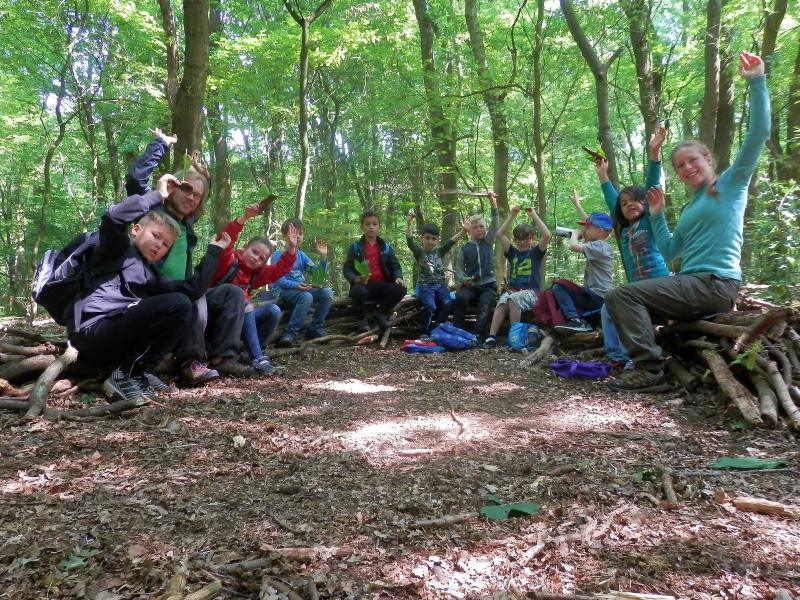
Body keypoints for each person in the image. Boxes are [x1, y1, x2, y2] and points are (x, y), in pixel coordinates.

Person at [604, 51, 770, 393]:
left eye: (692, 160)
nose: (687, 168)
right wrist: (657, 215)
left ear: (707, 158)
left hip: (715, 283)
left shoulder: (730, 184)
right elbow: (669, 248)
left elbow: (758, 134)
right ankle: (648, 359)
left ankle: (650, 370)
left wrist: (756, 81)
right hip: (694, 281)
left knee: (623, 295)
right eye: (679, 165)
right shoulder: (692, 205)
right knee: (623, 297)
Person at [68, 173, 230, 403]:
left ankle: (137, 372)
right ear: (136, 230)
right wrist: (159, 194)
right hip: (92, 331)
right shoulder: (116, 250)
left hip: (118, 335)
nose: (159, 245)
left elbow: (193, 290)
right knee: (177, 303)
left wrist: (214, 250)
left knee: (182, 304)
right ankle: (125, 375)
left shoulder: (150, 275)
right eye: (156, 236)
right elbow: (113, 217)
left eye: (165, 244)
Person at [126, 128, 249, 385]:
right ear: (172, 186)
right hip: (156, 292)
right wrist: (160, 145)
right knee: (191, 297)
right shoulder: (155, 211)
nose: (191, 197)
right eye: (186, 189)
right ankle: (189, 363)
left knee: (231, 293)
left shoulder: (188, 226)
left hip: (185, 290)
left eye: (197, 195)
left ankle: (223, 357)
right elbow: (136, 182)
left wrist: (204, 175)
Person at [588, 130, 670, 365]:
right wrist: (603, 176)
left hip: (659, 285)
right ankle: (618, 356)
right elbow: (612, 202)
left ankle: (641, 357)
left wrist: (654, 153)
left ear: (646, 202)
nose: (629, 205)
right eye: (624, 204)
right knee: (608, 308)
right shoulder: (623, 231)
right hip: (636, 293)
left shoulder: (649, 222)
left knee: (618, 300)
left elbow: (653, 185)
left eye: (635, 200)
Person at [211, 202, 299, 375]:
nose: (256, 258)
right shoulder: (229, 261)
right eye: (254, 252)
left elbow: (279, 269)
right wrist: (244, 218)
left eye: (262, 258)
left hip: (237, 321)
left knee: (273, 310)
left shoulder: (255, 274)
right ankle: (258, 358)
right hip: (216, 317)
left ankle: (246, 352)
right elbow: (226, 238)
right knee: (245, 304)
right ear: (244, 248)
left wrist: (291, 248)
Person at [483, 204, 551, 349]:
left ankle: (515, 337)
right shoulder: (512, 252)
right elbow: (500, 234)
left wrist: (534, 216)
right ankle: (491, 337)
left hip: (532, 292)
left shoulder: (536, 253)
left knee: (514, 300)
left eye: (526, 239)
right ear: (514, 240)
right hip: (513, 290)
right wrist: (511, 215)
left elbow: (547, 235)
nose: (522, 242)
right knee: (502, 302)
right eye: (519, 239)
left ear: (532, 239)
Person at [271, 218, 334, 346]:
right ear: (284, 236)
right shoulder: (278, 255)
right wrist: (296, 286)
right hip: (284, 290)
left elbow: (318, 278)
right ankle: (290, 333)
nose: (297, 237)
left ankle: (315, 327)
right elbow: (278, 280)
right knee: (306, 297)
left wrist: (323, 257)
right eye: (293, 234)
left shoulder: (302, 255)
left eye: (300, 233)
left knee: (327, 293)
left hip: (301, 289)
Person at [551, 208, 615, 334]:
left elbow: (573, 246)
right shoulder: (598, 244)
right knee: (563, 288)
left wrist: (575, 234)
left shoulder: (600, 246)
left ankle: (575, 320)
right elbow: (590, 223)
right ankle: (585, 321)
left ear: (600, 232)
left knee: (559, 287)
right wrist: (577, 205)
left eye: (587, 228)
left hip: (597, 297)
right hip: (595, 296)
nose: (583, 231)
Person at [404, 214, 469, 335]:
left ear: (437, 240)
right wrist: (409, 224)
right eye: (427, 238)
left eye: (433, 239)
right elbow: (409, 241)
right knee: (430, 306)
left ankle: (436, 328)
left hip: (440, 285)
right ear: (422, 238)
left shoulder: (439, 251)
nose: (430, 241)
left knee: (448, 303)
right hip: (425, 286)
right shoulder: (419, 251)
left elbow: (452, 241)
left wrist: (464, 230)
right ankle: (424, 332)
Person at [343, 210, 406, 332]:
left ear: (379, 227)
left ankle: (380, 313)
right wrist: (354, 279)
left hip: (383, 285)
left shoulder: (386, 247)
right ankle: (361, 320)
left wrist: (398, 277)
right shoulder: (356, 247)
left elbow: (394, 265)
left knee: (401, 289)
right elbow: (347, 268)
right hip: (364, 284)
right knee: (357, 291)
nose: (371, 227)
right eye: (367, 224)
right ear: (362, 227)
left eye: (374, 224)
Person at [452, 192, 499, 340]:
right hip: (471, 286)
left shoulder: (488, 241)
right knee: (460, 299)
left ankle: (479, 334)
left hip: (489, 286)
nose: (480, 229)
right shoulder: (465, 248)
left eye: (482, 226)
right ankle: (457, 330)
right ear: (470, 231)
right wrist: (463, 279)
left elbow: (495, 221)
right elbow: (458, 269)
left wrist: (493, 202)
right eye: (475, 227)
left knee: (485, 303)